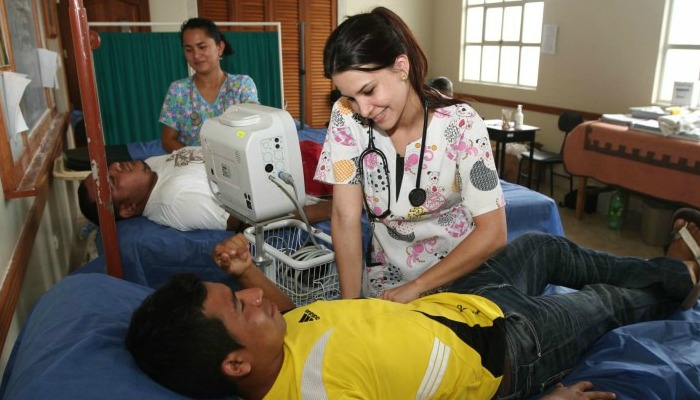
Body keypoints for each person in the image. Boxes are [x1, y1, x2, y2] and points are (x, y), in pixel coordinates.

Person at [125, 212, 700, 399]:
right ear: (234, 364)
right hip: (507, 349)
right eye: (237, 305)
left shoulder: (272, 342)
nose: (255, 298)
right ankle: (680, 277)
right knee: (602, 303)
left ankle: (674, 271)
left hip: (457, 305)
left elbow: (285, 306)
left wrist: (245, 270)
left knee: (539, 246)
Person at [314, 7, 507, 302]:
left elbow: (493, 233)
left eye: (369, 90)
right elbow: (344, 216)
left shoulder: (461, 123)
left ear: (401, 67)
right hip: (387, 283)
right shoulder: (346, 117)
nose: (363, 110)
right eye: (352, 97)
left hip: (461, 278)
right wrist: (349, 308)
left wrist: (417, 288)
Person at [77, 146, 332, 231]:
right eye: (112, 181)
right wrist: (331, 209)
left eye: (108, 168)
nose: (116, 166)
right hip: (301, 176)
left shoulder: (151, 169)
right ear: (128, 208)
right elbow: (253, 218)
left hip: (285, 153)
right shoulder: (176, 200)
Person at [160, 17, 260, 153]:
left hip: (235, 163)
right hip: (193, 166)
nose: (196, 55)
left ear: (220, 47)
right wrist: (199, 159)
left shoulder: (241, 86)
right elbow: (168, 140)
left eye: (202, 47)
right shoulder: (178, 90)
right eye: (189, 49)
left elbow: (252, 130)